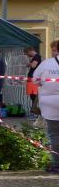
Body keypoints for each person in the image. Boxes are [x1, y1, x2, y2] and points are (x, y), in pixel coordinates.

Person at [33, 39, 59, 173]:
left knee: (54, 134)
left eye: (54, 50)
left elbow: (35, 80)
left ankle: (57, 164)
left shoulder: (46, 64)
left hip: (50, 104)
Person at [25, 46, 42, 113]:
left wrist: (28, 64)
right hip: (31, 78)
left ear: (30, 51)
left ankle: (35, 110)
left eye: (27, 53)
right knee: (32, 95)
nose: (27, 55)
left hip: (33, 79)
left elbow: (33, 65)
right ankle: (34, 110)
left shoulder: (37, 57)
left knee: (34, 95)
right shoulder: (35, 57)